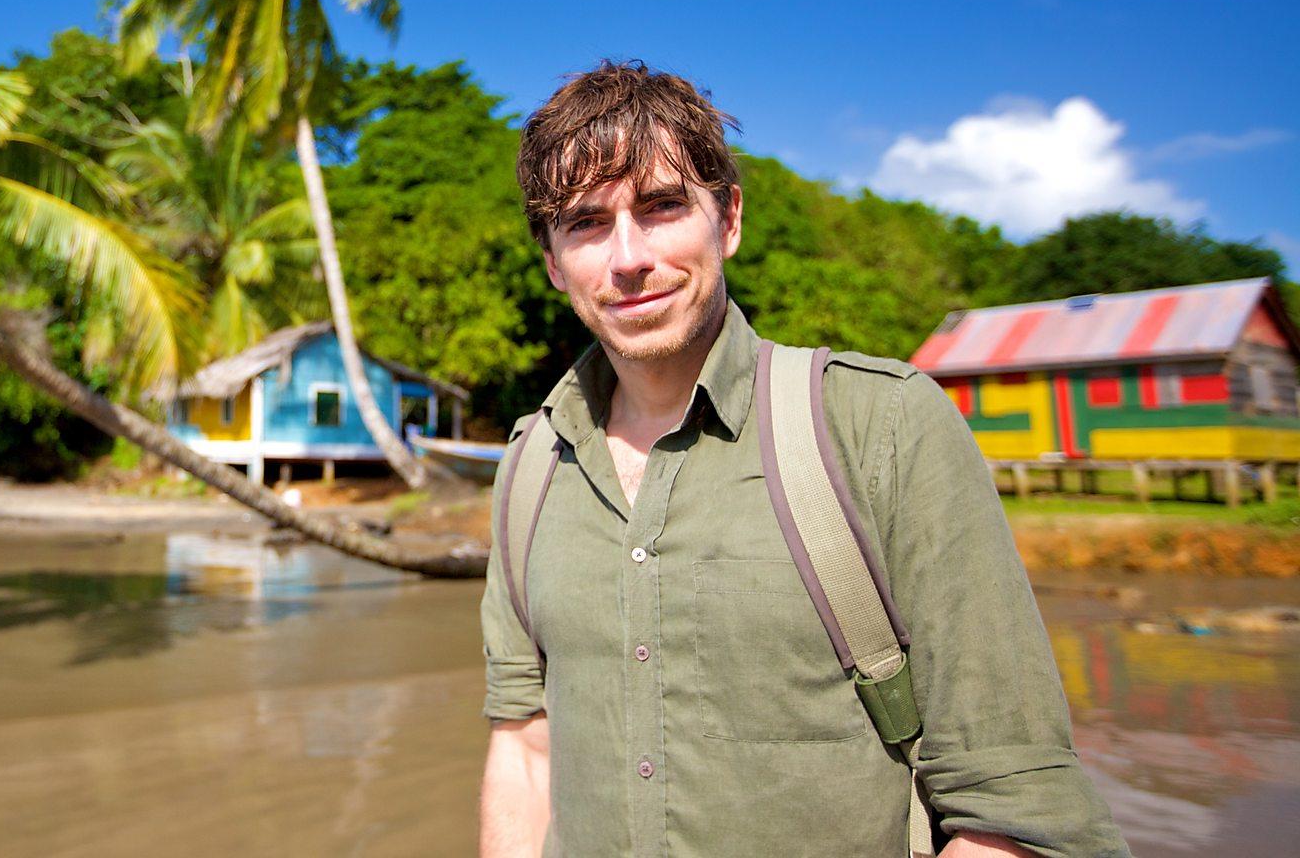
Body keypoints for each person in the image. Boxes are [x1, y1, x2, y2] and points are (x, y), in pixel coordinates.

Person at [477, 62, 1128, 857]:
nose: (628, 257)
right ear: (552, 262)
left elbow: (1016, 810)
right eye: (585, 222)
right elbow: (525, 750)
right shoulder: (530, 468)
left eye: (662, 206)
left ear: (731, 220)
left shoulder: (880, 426)